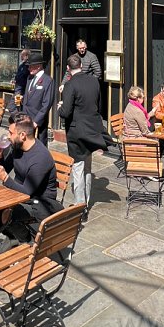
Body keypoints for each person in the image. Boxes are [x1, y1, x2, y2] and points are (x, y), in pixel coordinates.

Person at [0, 112, 62, 250]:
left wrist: (4, 178)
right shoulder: (18, 147)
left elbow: (27, 192)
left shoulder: (40, 158)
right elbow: (6, 169)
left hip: (40, 204)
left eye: (11, 133)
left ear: (22, 135)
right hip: (17, 195)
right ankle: (13, 236)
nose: (8, 136)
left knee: (7, 213)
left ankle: (26, 240)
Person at [58, 54, 108, 222]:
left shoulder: (70, 84)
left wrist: (59, 107)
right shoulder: (94, 81)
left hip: (76, 132)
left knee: (78, 168)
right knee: (87, 167)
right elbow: (98, 106)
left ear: (68, 68)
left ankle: (80, 207)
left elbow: (66, 112)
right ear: (81, 65)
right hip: (91, 130)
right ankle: (85, 202)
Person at [20, 51, 55, 145]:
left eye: (30, 66)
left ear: (38, 66)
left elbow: (47, 104)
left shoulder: (48, 81)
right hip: (26, 118)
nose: (29, 69)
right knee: (25, 143)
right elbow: (29, 96)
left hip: (39, 120)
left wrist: (36, 121)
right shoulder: (29, 78)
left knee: (40, 145)